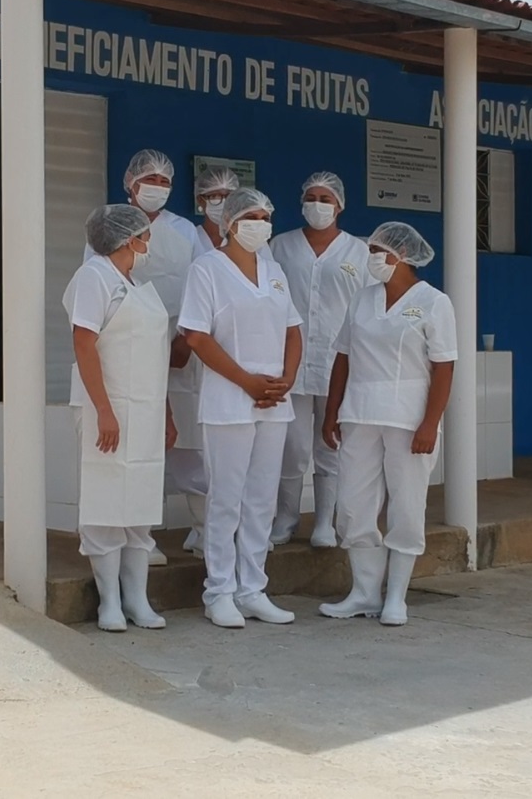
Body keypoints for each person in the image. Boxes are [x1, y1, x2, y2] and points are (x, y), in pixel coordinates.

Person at [319, 222, 456, 627]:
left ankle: (396, 595)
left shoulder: (434, 302)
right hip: (359, 413)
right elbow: (342, 356)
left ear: (403, 256)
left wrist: (431, 423)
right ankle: (363, 592)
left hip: (408, 416)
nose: (373, 257)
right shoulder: (362, 299)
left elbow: (444, 366)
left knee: (408, 505)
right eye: (372, 250)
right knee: (353, 504)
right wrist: (332, 411)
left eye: (380, 250)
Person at [179, 187, 303, 628]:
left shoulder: (274, 272)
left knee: (261, 500)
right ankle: (219, 591)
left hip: (274, 400)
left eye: (267, 215)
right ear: (230, 222)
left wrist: (284, 379)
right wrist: (247, 381)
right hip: (230, 399)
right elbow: (196, 336)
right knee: (226, 498)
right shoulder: (206, 269)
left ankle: (253, 588)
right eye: (251, 215)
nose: (261, 223)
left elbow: (292, 330)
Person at [62, 204, 175, 633]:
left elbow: (153, 358)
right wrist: (104, 410)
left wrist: (163, 411)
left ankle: (137, 599)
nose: (150, 242)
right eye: (146, 234)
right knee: (106, 502)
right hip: (104, 408)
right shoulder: (94, 278)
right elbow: (84, 343)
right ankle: (109, 600)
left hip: (144, 410)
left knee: (140, 503)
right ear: (130, 239)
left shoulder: (138, 285)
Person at [89, 150, 202, 567]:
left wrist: (187, 341)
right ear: (130, 183)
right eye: (149, 179)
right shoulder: (109, 224)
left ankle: (200, 529)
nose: (157, 187)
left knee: (181, 443)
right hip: (127, 350)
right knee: (134, 446)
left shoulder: (185, 231)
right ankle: (140, 537)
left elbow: (198, 287)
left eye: (164, 181)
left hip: (175, 347)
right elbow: (98, 293)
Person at [268, 172, 370, 548]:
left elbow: (367, 306)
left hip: (338, 362)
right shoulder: (280, 246)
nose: (318, 205)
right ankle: (286, 518)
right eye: (311, 197)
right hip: (289, 363)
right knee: (291, 448)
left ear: (340, 205)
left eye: (326, 198)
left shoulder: (359, 253)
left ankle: (325, 522)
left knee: (330, 445)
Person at [176, 165, 241, 559]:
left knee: (232, 453)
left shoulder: (252, 244)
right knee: (191, 449)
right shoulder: (188, 238)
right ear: (200, 200)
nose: (219, 202)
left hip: (237, 358)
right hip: (192, 351)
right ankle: (202, 527)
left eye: (227, 195)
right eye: (212, 195)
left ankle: (231, 531)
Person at [191, 165, 239, 259]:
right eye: (215, 196)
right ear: (200, 200)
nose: (224, 202)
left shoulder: (249, 238)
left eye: (229, 196)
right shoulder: (190, 238)